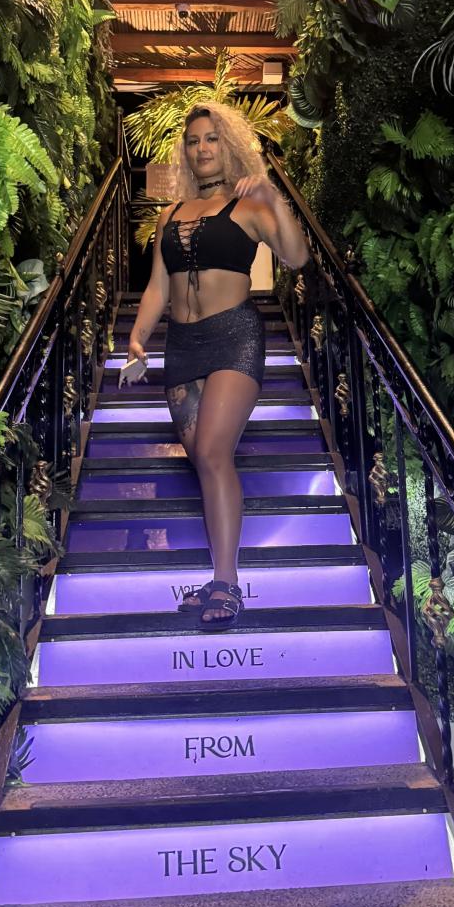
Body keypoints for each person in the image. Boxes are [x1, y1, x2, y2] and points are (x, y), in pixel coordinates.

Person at [125, 102, 310, 629]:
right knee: (204, 462)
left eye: (211, 139)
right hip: (182, 346)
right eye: (193, 141)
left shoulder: (248, 206)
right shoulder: (169, 215)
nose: (202, 148)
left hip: (234, 338)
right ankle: (217, 577)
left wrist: (272, 194)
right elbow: (158, 287)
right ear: (184, 151)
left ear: (227, 146)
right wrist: (137, 337)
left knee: (211, 451)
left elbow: (297, 256)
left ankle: (227, 583)